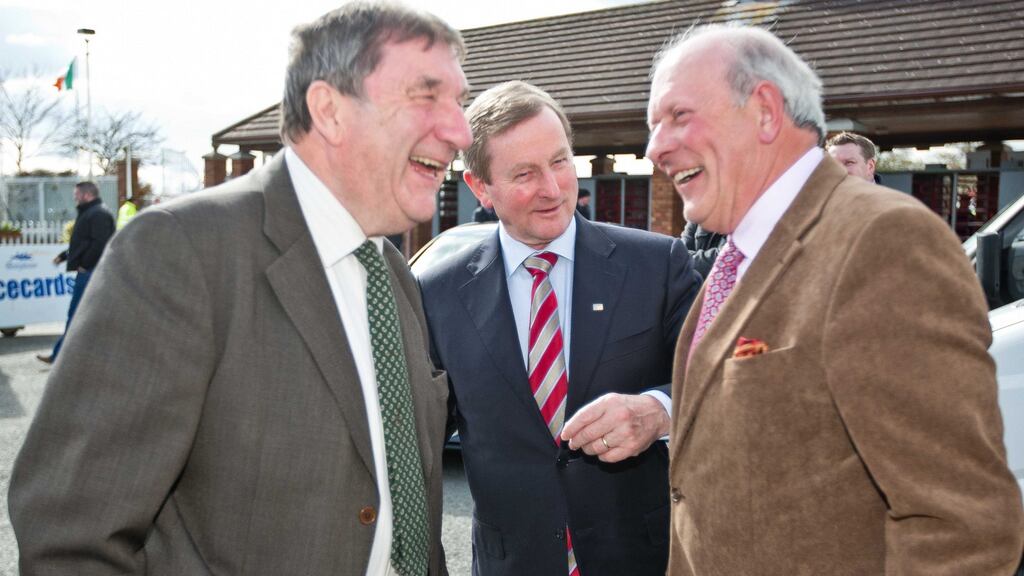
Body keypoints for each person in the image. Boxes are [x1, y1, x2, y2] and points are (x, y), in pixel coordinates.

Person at [10, 3, 472, 574]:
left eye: (459, 103)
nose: (460, 131)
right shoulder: (180, 251)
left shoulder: (393, 272)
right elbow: (71, 540)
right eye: (427, 96)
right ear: (329, 110)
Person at [645, 24, 1023, 574]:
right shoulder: (739, 254)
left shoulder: (882, 242)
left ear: (766, 111)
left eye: (678, 116)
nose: (655, 148)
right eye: (654, 126)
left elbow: (960, 526)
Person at [418, 81, 701, 576]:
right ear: (480, 188)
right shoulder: (437, 292)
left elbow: (719, 382)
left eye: (560, 162)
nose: (551, 188)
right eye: (524, 173)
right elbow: (417, 443)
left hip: (642, 558)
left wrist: (659, 412)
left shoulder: (657, 266)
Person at [36, 180, 114, 364]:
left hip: (90, 272)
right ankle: (64, 355)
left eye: (77, 194)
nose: (75, 198)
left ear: (87, 194)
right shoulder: (92, 213)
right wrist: (65, 256)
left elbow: (99, 244)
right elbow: (84, 242)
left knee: (76, 314)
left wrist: (85, 265)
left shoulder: (97, 214)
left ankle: (60, 356)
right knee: (82, 315)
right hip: (91, 271)